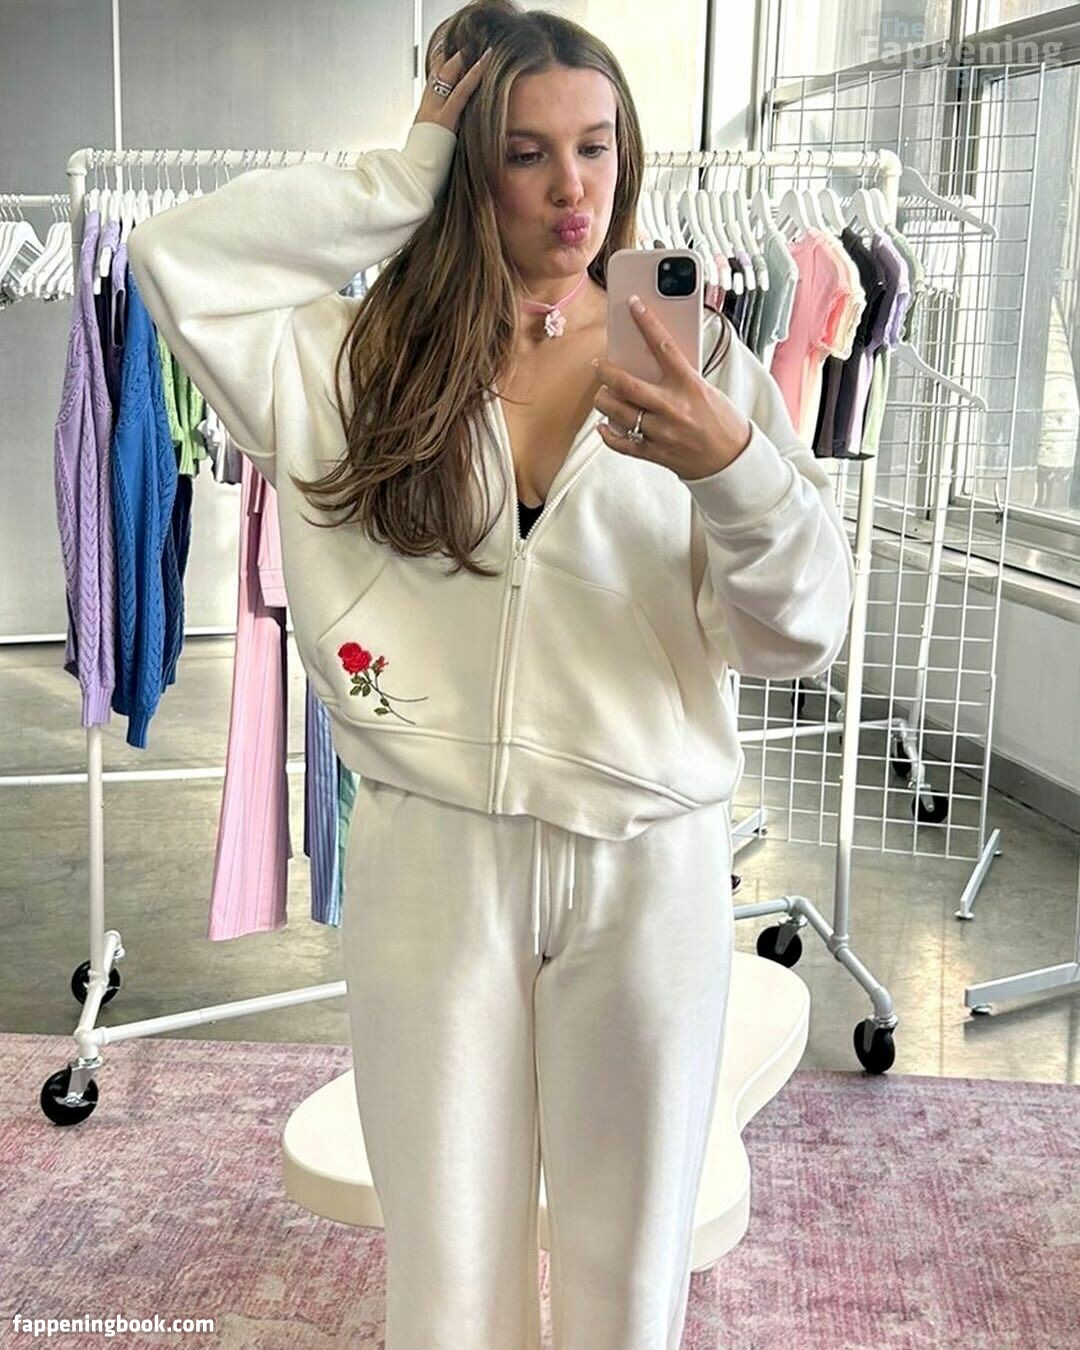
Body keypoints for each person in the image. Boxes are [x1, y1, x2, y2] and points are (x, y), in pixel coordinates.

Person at [128, 4, 854, 1346]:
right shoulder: (354, 362)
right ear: (471, 167)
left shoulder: (700, 365)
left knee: (628, 1265)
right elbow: (176, 259)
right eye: (526, 153)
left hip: (647, 858)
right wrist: (399, 175)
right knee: (447, 1272)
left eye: (597, 145)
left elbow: (802, 630)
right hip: (434, 855)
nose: (575, 187)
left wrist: (732, 468)